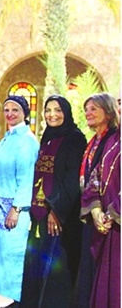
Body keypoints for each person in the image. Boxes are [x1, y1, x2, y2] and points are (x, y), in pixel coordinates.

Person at [20, 95, 86, 308]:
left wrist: (56, 211)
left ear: (65, 113)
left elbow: (71, 178)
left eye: (57, 110)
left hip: (59, 218)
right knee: (37, 265)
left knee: (56, 270)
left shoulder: (75, 138)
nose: (52, 114)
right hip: (39, 214)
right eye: (48, 110)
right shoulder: (47, 137)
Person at [0, 96, 39, 306]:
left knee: (11, 254)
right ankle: (0, 296)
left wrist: (17, 208)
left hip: (13, 208)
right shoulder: (7, 138)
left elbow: (26, 178)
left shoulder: (26, 141)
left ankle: (12, 298)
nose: (10, 114)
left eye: (15, 110)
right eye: (7, 110)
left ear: (25, 112)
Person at [75, 92, 119, 307]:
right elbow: (96, 177)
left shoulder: (112, 139)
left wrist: (111, 214)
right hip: (102, 220)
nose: (88, 113)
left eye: (94, 108)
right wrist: (95, 210)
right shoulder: (105, 142)